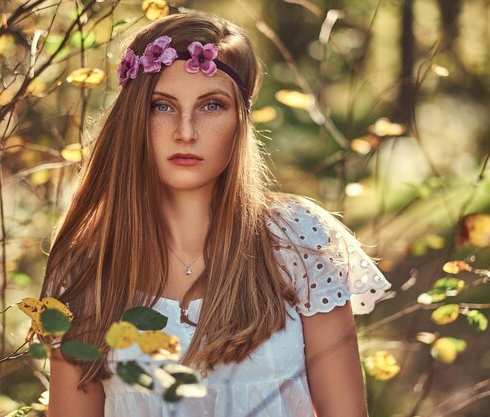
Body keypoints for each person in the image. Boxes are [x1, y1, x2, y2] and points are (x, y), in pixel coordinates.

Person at [40, 10, 391, 417]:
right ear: (135, 118)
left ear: (239, 120)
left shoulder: (299, 239)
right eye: (162, 106)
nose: (185, 131)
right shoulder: (87, 265)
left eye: (211, 106)